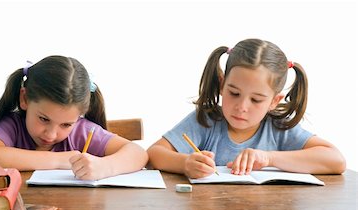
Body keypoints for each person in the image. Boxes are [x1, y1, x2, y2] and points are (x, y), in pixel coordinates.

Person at [147, 38, 346, 178]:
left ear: (274, 101)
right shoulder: (206, 120)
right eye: (234, 93)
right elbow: (154, 154)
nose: (242, 107)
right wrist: (184, 164)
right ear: (222, 85)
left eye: (257, 100)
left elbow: (335, 160)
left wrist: (269, 158)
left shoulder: (278, 129)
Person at [0, 55, 148, 180]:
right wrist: (58, 161)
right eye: (44, 119)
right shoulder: (12, 127)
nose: (51, 135)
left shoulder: (82, 131)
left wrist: (105, 167)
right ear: (25, 99)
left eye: (66, 125)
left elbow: (138, 154)